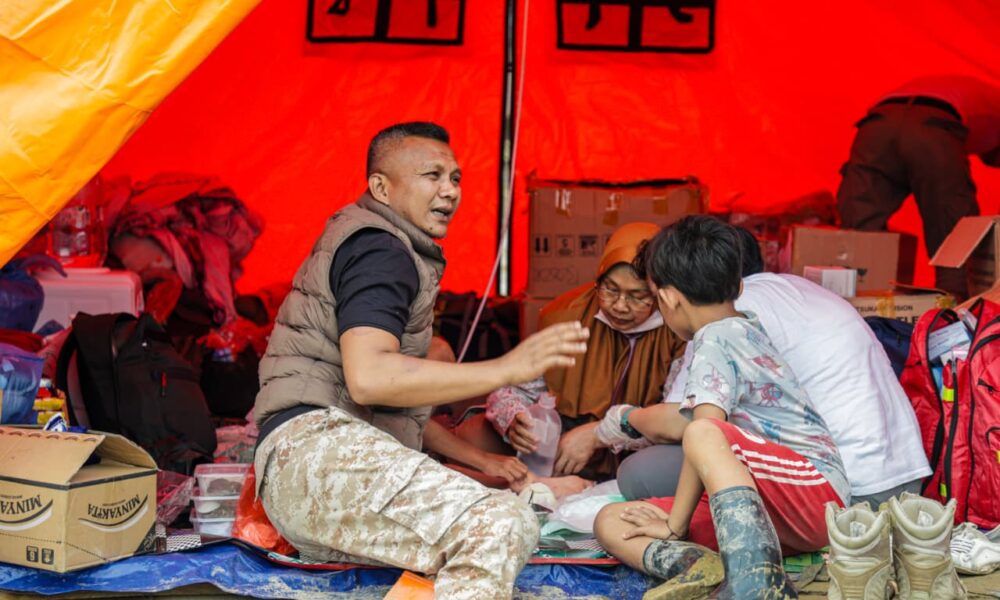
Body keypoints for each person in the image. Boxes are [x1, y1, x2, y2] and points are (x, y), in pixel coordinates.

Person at [252, 122, 589, 599]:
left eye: (455, 178)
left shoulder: (378, 241)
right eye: (432, 175)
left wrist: (483, 463)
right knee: (496, 523)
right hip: (316, 451)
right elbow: (370, 378)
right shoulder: (381, 249)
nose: (449, 191)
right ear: (381, 187)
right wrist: (507, 368)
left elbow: (390, 402)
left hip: (306, 463)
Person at [594, 216, 848, 598]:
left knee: (701, 430)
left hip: (812, 493)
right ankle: (698, 566)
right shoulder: (743, 326)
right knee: (611, 520)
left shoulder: (714, 340)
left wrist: (674, 524)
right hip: (764, 517)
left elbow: (705, 435)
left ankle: (754, 584)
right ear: (740, 286)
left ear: (667, 298)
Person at [615, 226, 931, 509]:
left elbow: (688, 424)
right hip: (904, 480)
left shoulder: (722, 325)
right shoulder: (796, 289)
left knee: (640, 473)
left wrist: (622, 419)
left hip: (843, 493)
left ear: (671, 296)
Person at [459, 222, 685, 482]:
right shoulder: (567, 315)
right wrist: (515, 420)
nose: (620, 306)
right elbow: (513, 390)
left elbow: (676, 419)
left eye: (638, 296)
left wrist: (600, 434)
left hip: (639, 451)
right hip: (559, 451)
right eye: (610, 289)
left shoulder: (678, 329)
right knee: (473, 433)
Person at [836, 75, 1000, 297]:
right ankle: (952, 309)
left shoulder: (969, 93)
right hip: (932, 126)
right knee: (954, 228)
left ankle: (860, 297)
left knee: (860, 226)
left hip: (877, 124)